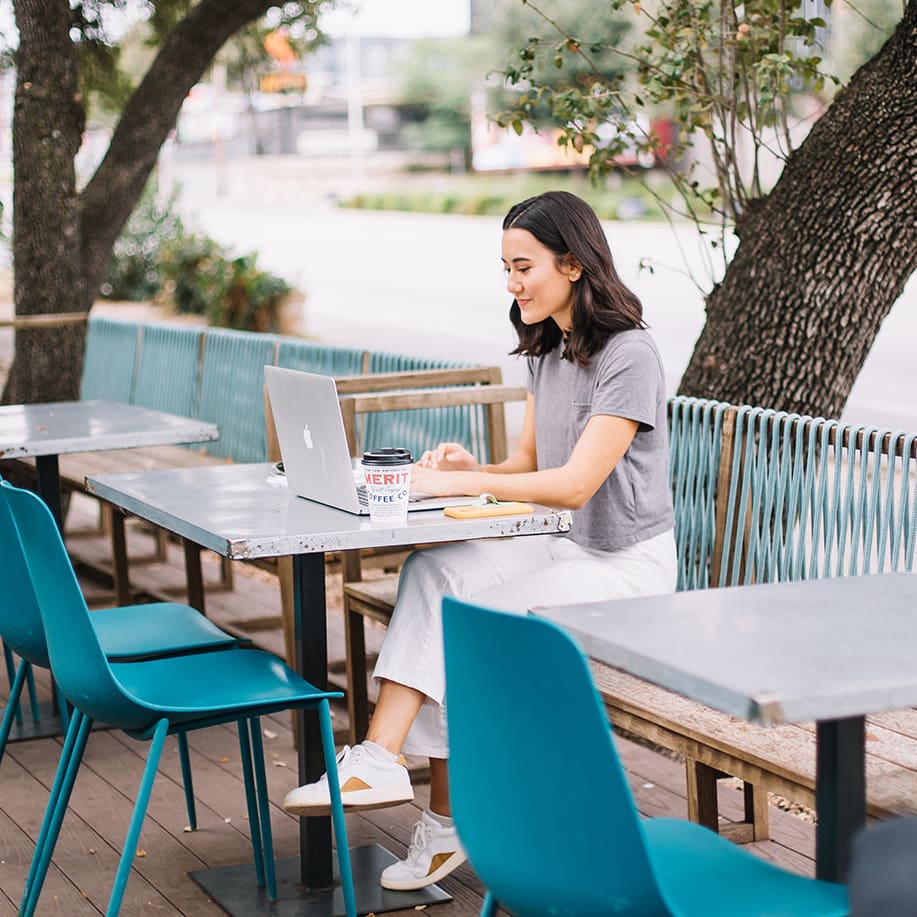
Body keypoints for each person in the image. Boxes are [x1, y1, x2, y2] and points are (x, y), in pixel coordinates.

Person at [283, 190, 678, 890]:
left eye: (522, 266)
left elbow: (577, 483)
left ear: (575, 263)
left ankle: (447, 822)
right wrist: (475, 471)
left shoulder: (629, 354)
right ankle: (377, 755)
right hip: (559, 539)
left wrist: (455, 489)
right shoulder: (547, 349)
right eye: (504, 267)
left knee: (470, 624)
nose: (511, 283)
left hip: (624, 565)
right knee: (433, 573)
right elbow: (528, 467)